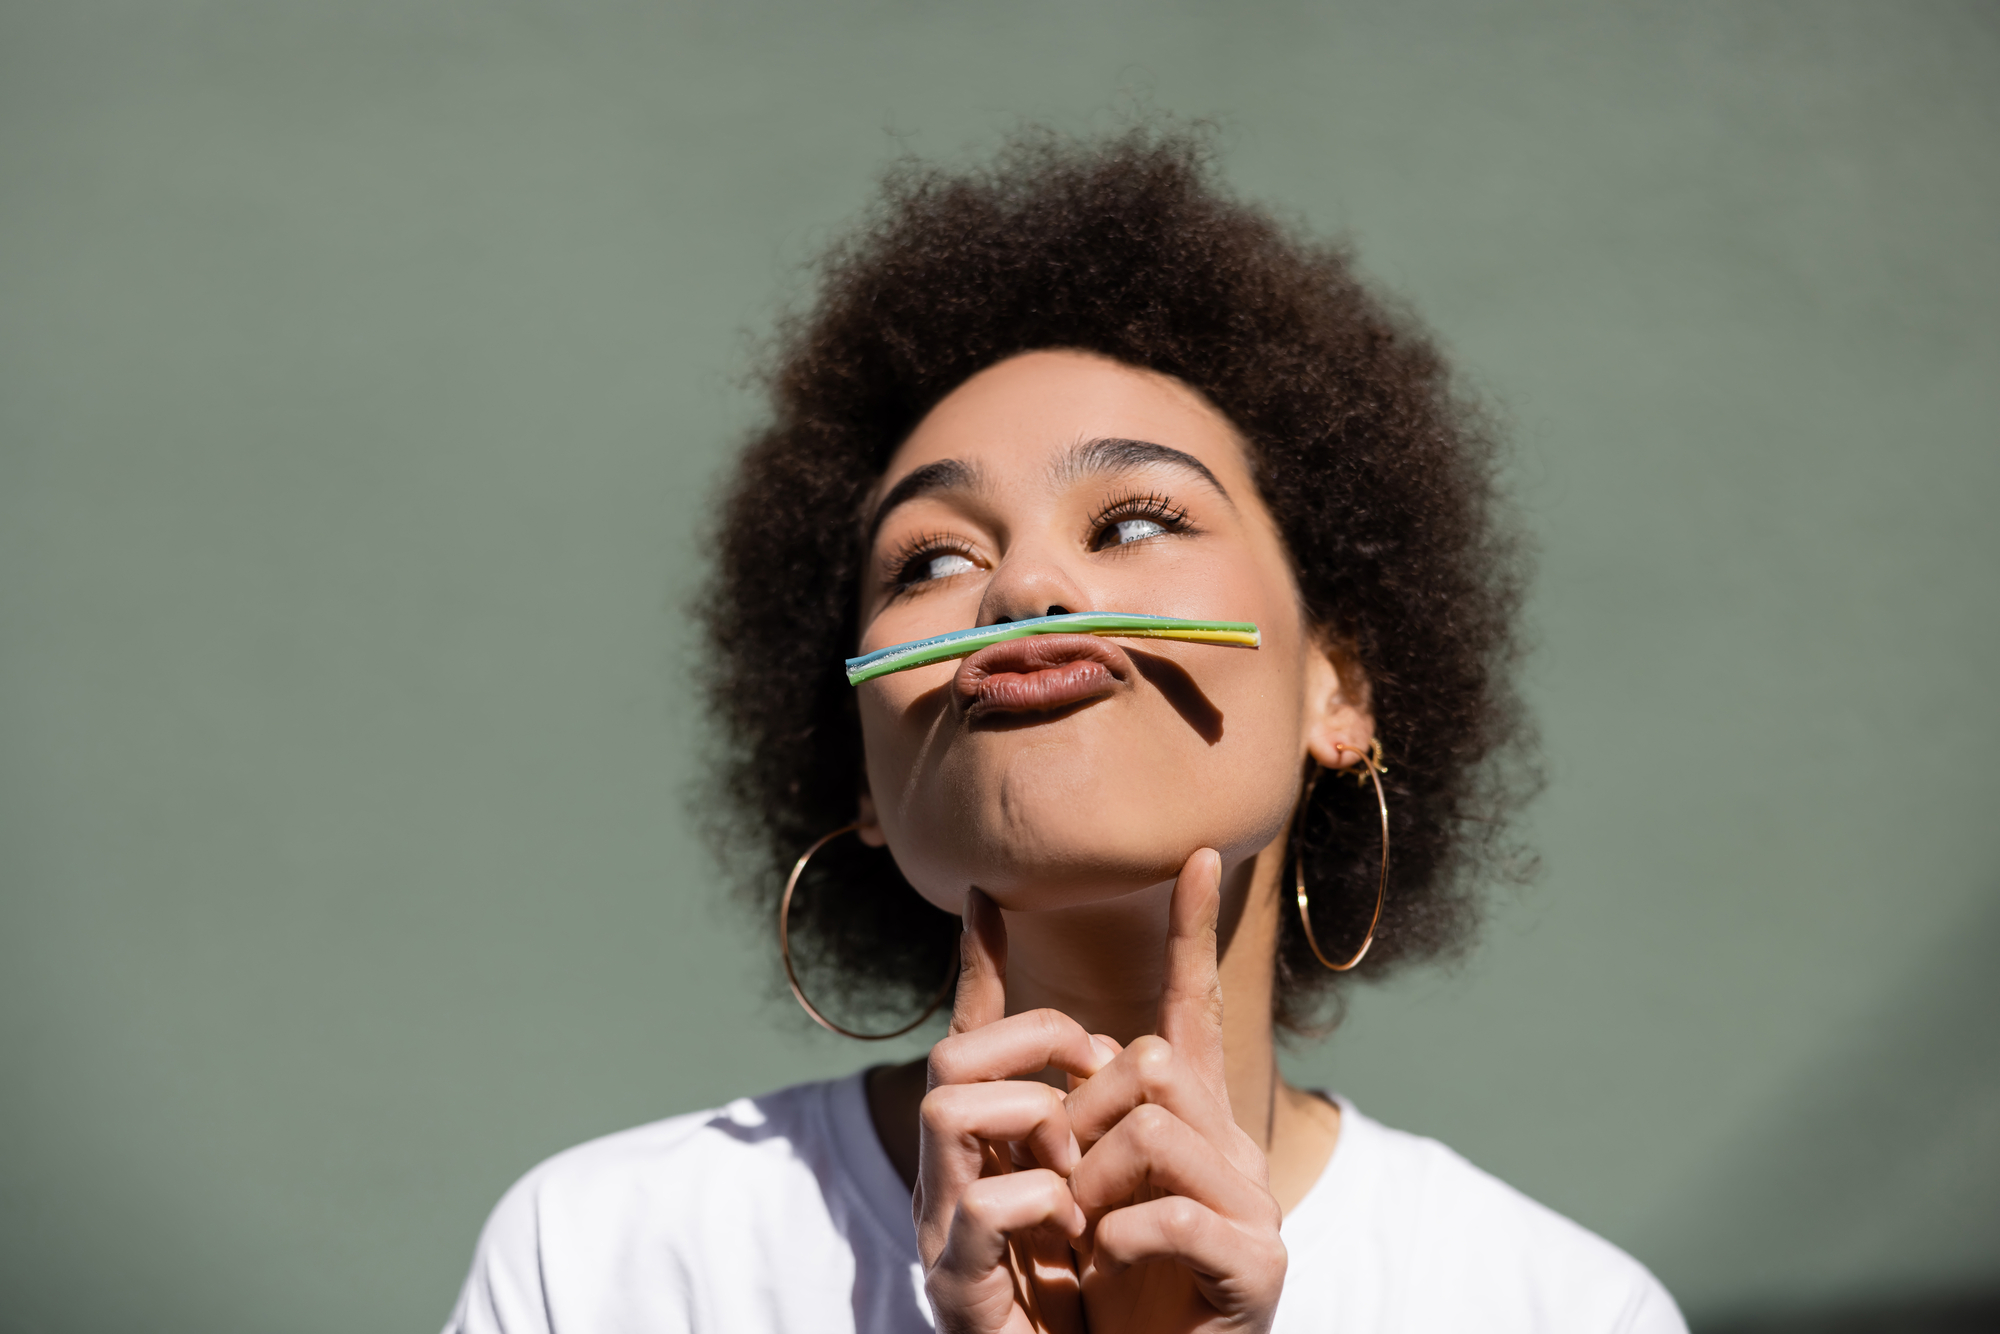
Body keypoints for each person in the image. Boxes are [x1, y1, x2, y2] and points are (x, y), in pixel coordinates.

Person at [442, 129, 1687, 1333]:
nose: (1024, 588)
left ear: (1337, 686)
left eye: (1134, 522)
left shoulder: (1564, 1310)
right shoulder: (597, 1264)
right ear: (859, 768)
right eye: (931, 558)